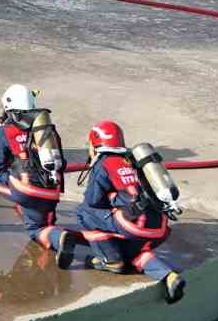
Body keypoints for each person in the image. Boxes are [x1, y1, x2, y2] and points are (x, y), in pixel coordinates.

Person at [57, 121, 185, 303]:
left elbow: (92, 201)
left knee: (84, 212)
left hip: (134, 224)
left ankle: (110, 259)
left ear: (95, 143)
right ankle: (169, 277)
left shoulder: (104, 163)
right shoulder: (132, 160)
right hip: (158, 226)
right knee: (136, 255)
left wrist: (111, 198)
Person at [0, 85, 71, 258]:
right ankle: (59, 236)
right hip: (51, 193)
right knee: (39, 229)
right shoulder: (46, 132)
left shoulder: (4, 132)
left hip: (26, 191)